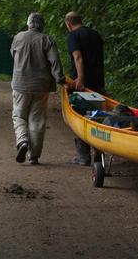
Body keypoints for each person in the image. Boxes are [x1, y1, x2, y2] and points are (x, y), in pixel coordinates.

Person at [10, 12, 66, 165]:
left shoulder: (18, 37)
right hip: (41, 86)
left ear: (28, 24)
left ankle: (22, 142)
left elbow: (13, 56)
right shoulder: (46, 39)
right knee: (37, 120)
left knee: (19, 116)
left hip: (20, 85)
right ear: (42, 25)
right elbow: (55, 61)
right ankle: (34, 155)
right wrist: (60, 78)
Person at [64, 11, 105, 166]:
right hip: (98, 83)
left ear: (68, 24)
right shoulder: (95, 34)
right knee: (97, 118)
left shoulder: (73, 36)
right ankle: (99, 155)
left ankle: (84, 157)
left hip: (83, 86)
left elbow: (78, 57)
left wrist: (80, 79)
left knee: (80, 118)